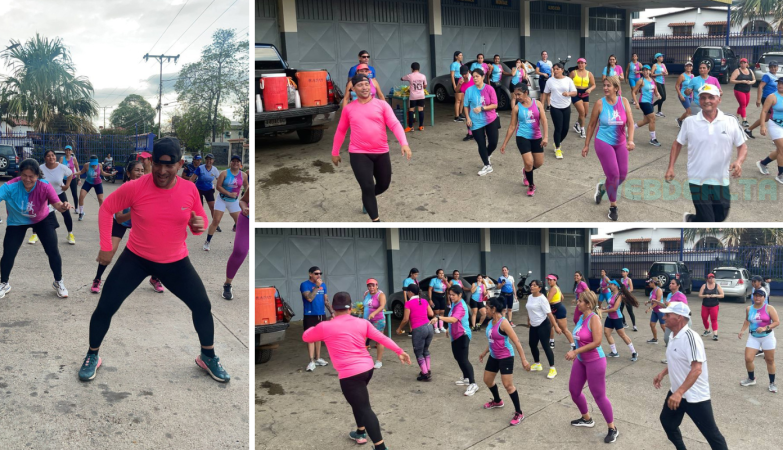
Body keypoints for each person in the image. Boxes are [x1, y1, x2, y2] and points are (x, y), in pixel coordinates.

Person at [79, 138, 229, 383]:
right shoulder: (136, 187)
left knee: (202, 306)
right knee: (105, 306)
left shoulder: (189, 189)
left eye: (169, 165)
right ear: (151, 162)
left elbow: (199, 220)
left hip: (175, 261)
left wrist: (197, 225)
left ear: (180, 164)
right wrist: (106, 246)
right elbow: (107, 209)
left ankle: (208, 356)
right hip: (136, 259)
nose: (162, 170)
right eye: (158, 164)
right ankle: (92, 354)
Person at [303, 292, 411, 450]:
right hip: (367, 369)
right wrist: (399, 350)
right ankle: (360, 432)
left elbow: (306, 337)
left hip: (350, 374)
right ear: (351, 307)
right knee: (358, 402)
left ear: (333, 308)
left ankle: (381, 447)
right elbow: (382, 338)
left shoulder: (325, 326)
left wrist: (319, 326)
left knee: (364, 408)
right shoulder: (362, 323)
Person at [332, 73, 412, 222]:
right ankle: (376, 221)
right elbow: (341, 131)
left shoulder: (382, 105)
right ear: (353, 89)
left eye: (366, 84)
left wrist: (404, 143)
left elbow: (394, 124)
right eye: (360, 85)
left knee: (383, 185)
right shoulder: (349, 109)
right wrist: (335, 152)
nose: (364, 87)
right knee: (367, 187)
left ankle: (367, 199)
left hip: (381, 151)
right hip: (359, 153)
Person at [665, 84, 748, 222]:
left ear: (719, 99)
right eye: (703, 98)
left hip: (720, 177)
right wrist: (671, 167)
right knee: (708, 220)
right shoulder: (690, 121)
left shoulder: (730, 121)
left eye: (711, 97)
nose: (707, 101)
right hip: (697, 178)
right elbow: (677, 144)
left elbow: (742, 146)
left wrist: (739, 161)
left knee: (721, 216)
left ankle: (691, 220)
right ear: (699, 100)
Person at [654, 302, 729, 450]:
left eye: (668, 315)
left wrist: (679, 392)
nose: (664, 317)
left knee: (712, 435)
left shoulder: (691, 338)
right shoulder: (673, 336)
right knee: (668, 422)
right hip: (677, 393)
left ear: (679, 317)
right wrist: (663, 373)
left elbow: (696, 369)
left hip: (695, 396)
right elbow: (678, 360)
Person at [0, 158, 71, 299]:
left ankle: (58, 281)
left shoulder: (44, 186)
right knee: (9, 252)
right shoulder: (10, 186)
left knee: (52, 250)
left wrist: (64, 206)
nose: (27, 179)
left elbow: (57, 205)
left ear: (38, 175)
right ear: (20, 174)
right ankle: (4, 283)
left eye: (31, 176)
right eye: (24, 175)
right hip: (17, 221)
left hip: (42, 218)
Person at [90, 160, 164, 294]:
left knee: (156, 248)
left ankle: (154, 278)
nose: (140, 173)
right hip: (122, 222)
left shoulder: (147, 189)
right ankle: (97, 279)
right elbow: (119, 218)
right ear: (129, 173)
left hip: (140, 224)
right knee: (110, 250)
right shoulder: (125, 190)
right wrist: (134, 211)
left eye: (142, 171)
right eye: (137, 170)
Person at [567, 290, 618, 443]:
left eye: (580, 301)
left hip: (595, 361)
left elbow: (597, 342)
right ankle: (586, 418)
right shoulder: (581, 317)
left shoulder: (594, 318)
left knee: (599, 396)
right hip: (581, 360)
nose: (577, 303)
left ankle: (612, 428)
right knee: (574, 391)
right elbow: (579, 338)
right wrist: (575, 352)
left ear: (588, 304)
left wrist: (575, 351)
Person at [583, 77, 636, 221]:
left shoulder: (624, 102)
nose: (605, 88)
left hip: (621, 142)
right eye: (604, 85)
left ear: (616, 88)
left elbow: (631, 123)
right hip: (603, 142)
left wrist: (630, 140)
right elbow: (591, 125)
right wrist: (586, 144)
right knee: (613, 175)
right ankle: (613, 206)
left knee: (622, 175)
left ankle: (602, 188)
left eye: (609, 86)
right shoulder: (600, 103)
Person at [479, 297, 531, 426]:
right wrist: (484, 352)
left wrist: (524, 360)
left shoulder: (504, 323)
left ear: (493, 309)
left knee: (508, 385)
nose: (485, 310)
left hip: (506, 356)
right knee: (487, 380)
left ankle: (519, 412)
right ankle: (497, 401)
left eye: (487, 308)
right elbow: (492, 339)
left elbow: (516, 342)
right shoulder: (490, 322)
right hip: (494, 355)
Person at [500, 85, 548, 196]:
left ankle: (526, 171)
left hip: (536, 137)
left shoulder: (537, 104)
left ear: (526, 92)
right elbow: (512, 126)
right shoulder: (516, 108)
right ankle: (531, 185)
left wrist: (546, 137)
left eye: (519, 94)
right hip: (522, 137)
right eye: (515, 95)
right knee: (529, 162)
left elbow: (544, 120)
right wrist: (504, 143)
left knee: (539, 163)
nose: (517, 97)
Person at [434, 285, 478, 396]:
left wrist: (439, 317)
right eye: (450, 294)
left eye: (453, 295)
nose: (451, 297)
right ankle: (466, 378)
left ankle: (473, 383)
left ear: (460, 295)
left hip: (463, 335)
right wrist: (448, 328)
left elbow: (454, 319)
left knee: (463, 359)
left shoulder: (461, 306)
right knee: (457, 357)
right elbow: (452, 317)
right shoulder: (454, 303)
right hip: (455, 335)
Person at [30, 150, 76, 245]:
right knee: (38, 214)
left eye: (53, 155)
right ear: (45, 158)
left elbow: (70, 174)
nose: (51, 157)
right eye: (48, 156)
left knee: (66, 213)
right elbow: (34, 178)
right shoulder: (40, 168)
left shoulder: (61, 167)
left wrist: (67, 185)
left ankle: (70, 234)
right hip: (44, 195)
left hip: (59, 193)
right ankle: (34, 234)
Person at [203, 155, 246, 251]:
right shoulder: (224, 173)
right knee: (216, 221)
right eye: (233, 161)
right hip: (222, 200)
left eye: (237, 161)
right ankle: (207, 242)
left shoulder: (243, 175)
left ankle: (240, 244)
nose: (235, 163)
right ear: (230, 163)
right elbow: (218, 186)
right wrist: (229, 193)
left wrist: (246, 199)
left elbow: (246, 187)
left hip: (234, 201)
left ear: (240, 164)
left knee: (240, 223)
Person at [739, 289, 779, 392]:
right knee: (748, 358)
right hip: (753, 337)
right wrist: (742, 330)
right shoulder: (749, 308)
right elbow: (747, 320)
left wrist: (765, 328)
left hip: (767, 337)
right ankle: (751, 379)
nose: (757, 297)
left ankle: (772, 383)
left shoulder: (769, 308)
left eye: (760, 296)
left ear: (764, 298)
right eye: (755, 295)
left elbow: (776, 322)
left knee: (769, 360)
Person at [464, 68, 500, 176]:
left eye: (477, 76)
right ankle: (487, 165)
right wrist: (468, 118)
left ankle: (486, 155)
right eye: (473, 76)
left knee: (493, 142)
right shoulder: (469, 90)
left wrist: (482, 108)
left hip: (490, 119)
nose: (475, 78)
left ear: (483, 77)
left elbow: (495, 105)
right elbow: (465, 106)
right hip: (475, 121)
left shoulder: (489, 89)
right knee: (481, 143)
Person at [397, 283, 434, 381]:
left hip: (419, 329)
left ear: (410, 292)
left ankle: (425, 374)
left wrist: (399, 328)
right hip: (429, 327)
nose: (406, 293)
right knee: (425, 350)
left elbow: (405, 319)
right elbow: (431, 313)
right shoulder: (424, 301)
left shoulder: (408, 303)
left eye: (407, 291)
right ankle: (427, 370)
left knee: (418, 352)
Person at [301, 266, 334, 372]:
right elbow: (309, 298)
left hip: (321, 314)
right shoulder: (305, 285)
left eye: (320, 273)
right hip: (310, 314)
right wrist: (316, 286)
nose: (318, 275)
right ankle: (311, 361)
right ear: (310, 274)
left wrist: (332, 312)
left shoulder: (323, 285)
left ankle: (318, 358)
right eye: (316, 273)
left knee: (319, 337)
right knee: (311, 337)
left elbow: (326, 300)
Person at [526, 280, 560, 379]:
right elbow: (529, 309)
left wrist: (556, 326)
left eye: (534, 285)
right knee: (532, 344)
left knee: (546, 346)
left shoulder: (542, 299)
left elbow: (549, 314)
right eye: (531, 285)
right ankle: (537, 364)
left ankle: (553, 369)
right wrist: (529, 320)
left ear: (539, 288)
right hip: (533, 325)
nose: (532, 287)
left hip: (543, 325)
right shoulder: (529, 297)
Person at [544, 63, 577, 159]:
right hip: (555, 107)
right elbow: (545, 93)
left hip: (566, 106)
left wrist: (568, 93)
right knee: (558, 128)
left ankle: (557, 142)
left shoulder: (568, 80)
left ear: (562, 70)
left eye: (557, 69)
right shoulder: (550, 81)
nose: (555, 71)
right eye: (554, 69)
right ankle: (558, 148)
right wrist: (541, 106)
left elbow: (575, 92)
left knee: (565, 129)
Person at [223, 183, 249, 300]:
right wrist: (245, 209)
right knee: (240, 251)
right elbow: (243, 201)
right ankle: (227, 284)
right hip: (247, 220)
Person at [602, 280, 639, 361]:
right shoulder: (612, 294)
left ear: (616, 286)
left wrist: (602, 311)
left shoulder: (619, 296)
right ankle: (614, 352)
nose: (610, 285)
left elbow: (615, 308)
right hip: (610, 317)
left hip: (617, 318)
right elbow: (610, 305)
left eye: (611, 284)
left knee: (622, 335)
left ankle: (634, 352)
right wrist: (604, 308)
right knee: (607, 333)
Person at [744, 60, 780, 139]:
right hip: (767, 99)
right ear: (769, 68)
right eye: (771, 67)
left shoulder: (774, 76)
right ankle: (777, 137)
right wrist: (758, 99)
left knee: (767, 118)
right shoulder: (767, 76)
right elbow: (760, 86)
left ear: (777, 68)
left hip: (773, 100)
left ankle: (748, 130)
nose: (773, 68)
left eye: (775, 67)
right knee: (773, 117)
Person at [758, 77, 783, 184]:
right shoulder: (772, 97)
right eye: (779, 83)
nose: (780, 85)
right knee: (782, 150)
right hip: (775, 125)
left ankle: (763, 163)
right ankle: (780, 175)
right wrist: (762, 126)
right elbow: (764, 112)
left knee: (779, 151)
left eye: (782, 84)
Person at [75, 155, 115, 221]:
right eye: (92, 164)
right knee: (81, 196)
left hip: (98, 183)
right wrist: (74, 173)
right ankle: (81, 213)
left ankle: (103, 214)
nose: (94, 166)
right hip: (88, 182)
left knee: (100, 199)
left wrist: (111, 174)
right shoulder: (86, 165)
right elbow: (81, 172)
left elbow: (102, 173)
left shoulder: (100, 165)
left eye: (95, 164)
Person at [631, 65, 662, 147]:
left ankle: (631, 129)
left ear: (650, 71)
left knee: (646, 120)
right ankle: (653, 139)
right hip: (643, 102)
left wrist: (658, 95)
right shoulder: (641, 81)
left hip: (650, 102)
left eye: (647, 70)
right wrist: (636, 102)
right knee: (652, 118)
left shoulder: (653, 80)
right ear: (642, 72)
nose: (645, 72)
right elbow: (633, 92)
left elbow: (656, 91)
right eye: (644, 70)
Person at [363, 278, 387, 369]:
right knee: (362, 339)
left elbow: (382, 306)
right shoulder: (366, 294)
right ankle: (362, 359)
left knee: (379, 339)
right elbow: (365, 305)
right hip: (366, 320)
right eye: (369, 286)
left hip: (378, 320)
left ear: (377, 286)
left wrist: (373, 313)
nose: (371, 287)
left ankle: (378, 361)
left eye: (373, 285)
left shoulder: (380, 295)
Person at [546, 274, 575, 350]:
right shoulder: (556, 287)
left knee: (564, 329)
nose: (548, 281)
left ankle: (573, 345)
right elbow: (562, 297)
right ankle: (551, 341)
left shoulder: (553, 289)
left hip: (558, 309)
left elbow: (547, 301)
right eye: (548, 280)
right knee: (550, 326)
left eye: (550, 280)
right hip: (555, 308)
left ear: (555, 280)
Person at [190, 153, 220, 225]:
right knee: (200, 206)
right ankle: (198, 222)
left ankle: (215, 223)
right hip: (199, 189)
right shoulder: (200, 168)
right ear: (205, 160)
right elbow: (192, 179)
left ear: (213, 161)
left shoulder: (215, 170)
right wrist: (189, 188)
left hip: (209, 189)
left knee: (212, 206)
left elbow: (219, 180)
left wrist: (224, 188)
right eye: (207, 159)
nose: (209, 161)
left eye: (210, 159)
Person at [570, 57, 596, 139]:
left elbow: (594, 85)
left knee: (585, 113)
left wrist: (590, 89)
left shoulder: (589, 73)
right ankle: (582, 130)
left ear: (585, 64)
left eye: (582, 63)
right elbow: (567, 82)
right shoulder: (573, 73)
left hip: (585, 93)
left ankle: (577, 124)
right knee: (582, 112)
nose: (580, 65)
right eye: (579, 63)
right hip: (576, 93)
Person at [401, 62, 428, 132]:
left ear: (412, 69)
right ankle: (421, 126)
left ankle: (410, 127)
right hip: (421, 95)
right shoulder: (423, 76)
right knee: (421, 110)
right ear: (419, 68)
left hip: (413, 96)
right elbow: (425, 85)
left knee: (411, 110)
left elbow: (402, 78)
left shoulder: (410, 76)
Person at [731, 58, 756, 128]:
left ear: (747, 63)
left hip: (747, 90)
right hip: (739, 90)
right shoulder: (737, 71)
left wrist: (750, 82)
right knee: (743, 104)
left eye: (744, 63)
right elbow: (731, 80)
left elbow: (754, 80)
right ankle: (744, 120)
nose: (743, 64)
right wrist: (741, 81)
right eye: (741, 63)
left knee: (745, 105)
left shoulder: (750, 71)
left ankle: (736, 116)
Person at [645, 278, 666, 344]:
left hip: (660, 310)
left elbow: (658, 301)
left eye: (650, 283)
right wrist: (648, 302)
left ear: (653, 283)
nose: (649, 284)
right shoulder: (652, 291)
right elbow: (653, 300)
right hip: (655, 310)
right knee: (652, 324)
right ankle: (655, 339)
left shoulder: (659, 290)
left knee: (663, 326)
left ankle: (670, 340)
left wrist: (650, 308)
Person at [458, 65, 475, 141]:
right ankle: (470, 133)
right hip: (466, 102)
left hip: (475, 101)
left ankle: (480, 133)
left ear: (468, 72)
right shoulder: (461, 79)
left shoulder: (473, 79)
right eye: (462, 74)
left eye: (465, 74)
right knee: (468, 117)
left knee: (476, 117)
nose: (464, 76)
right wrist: (459, 84)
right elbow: (457, 90)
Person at [428, 269, 449, 333]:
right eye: (440, 273)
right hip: (435, 296)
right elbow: (430, 289)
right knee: (436, 312)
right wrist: (430, 299)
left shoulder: (444, 280)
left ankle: (441, 327)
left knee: (442, 312)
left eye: (442, 273)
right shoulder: (433, 280)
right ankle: (435, 327)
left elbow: (449, 287)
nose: (442, 274)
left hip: (442, 296)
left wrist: (446, 281)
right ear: (437, 274)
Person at [675, 61, 695, 127]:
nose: (689, 67)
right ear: (685, 67)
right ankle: (681, 121)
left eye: (690, 66)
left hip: (690, 95)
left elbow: (693, 86)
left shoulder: (692, 76)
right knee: (689, 111)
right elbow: (677, 86)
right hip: (683, 95)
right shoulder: (682, 76)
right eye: (687, 66)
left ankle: (680, 120)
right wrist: (680, 95)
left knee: (691, 111)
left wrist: (694, 96)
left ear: (692, 67)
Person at [402, 268, 420, 336]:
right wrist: (406, 300)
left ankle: (416, 328)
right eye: (415, 274)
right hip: (409, 298)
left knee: (415, 313)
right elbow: (404, 291)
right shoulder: (407, 280)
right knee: (410, 315)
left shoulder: (416, 281)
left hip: (415, 298)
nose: (416, 276)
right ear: (411, 273)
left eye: (417, 274)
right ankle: (411, 330)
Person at [651, 53, 668, 117]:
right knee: (662, 97)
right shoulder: (655, 65)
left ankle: (658, 111)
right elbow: (651, 74)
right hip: (657, 82)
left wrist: (665, 73)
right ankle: (653, 106)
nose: (662, 58)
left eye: (662, 57)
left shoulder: (663, 65)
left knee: (664, 98)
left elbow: (667, 73)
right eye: (660, 57)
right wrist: (659, 74)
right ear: (657, 58)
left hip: (662, 82)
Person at [451, 51, 465, 122]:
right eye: (460, 55)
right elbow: (452, 75)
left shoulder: (462, 64)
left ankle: (460, 113)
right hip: (457, 81)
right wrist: (454, 85)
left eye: (462, 55)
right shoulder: (453, 64)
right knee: (458, 100)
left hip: (462, 81)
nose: (461, 56)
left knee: (462, 99)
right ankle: (456, 116)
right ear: (456, 57)